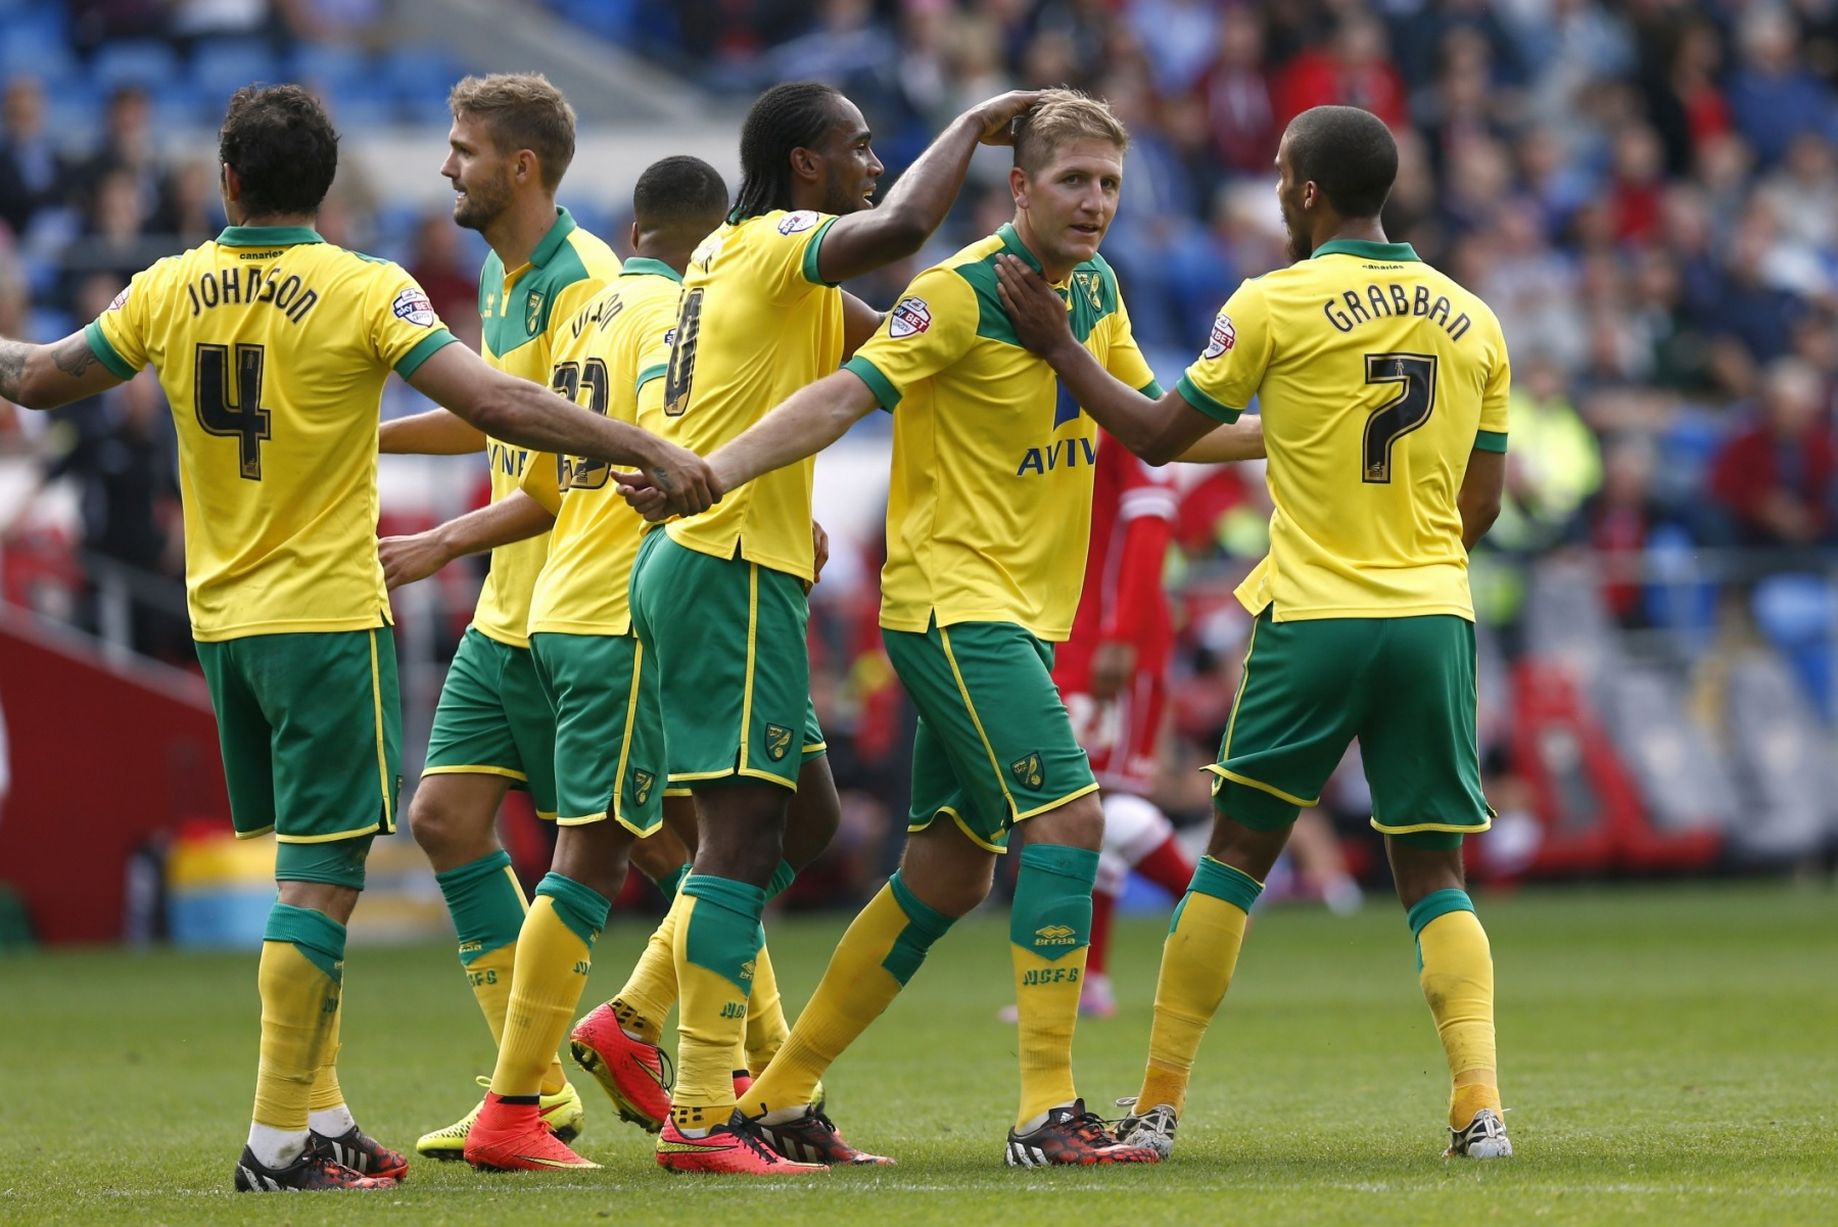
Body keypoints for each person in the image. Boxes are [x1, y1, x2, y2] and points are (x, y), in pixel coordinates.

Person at [0, 83, 715, 1195]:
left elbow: (41, 379)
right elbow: (499, 403)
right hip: (329, 617)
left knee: (320, 868)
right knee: (321, 884)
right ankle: (282, 1138)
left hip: (222, 626)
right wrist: (636, 440)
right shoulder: (365, 287)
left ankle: (322, 1116)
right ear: (323, 189)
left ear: (227, 181)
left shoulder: (168, 286)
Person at [626, 88, 1262, 1168]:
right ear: (1018, 186)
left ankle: (776, 1098)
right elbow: (839, 397)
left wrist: (1293, 433)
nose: (1094, 202)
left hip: (1019, 614)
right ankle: (1046, 1113)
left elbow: (1155, 426)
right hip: (950, 608)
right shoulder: (957, 291)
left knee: (947, 876)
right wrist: (715, 471)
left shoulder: (1094, 288)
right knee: (1067, 824)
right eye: (1071, 179)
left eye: (1108, 182)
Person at [990, 103, 1513, 1162]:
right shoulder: (1472, 317)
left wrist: (1057, 346)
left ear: (1305, 189)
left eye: (1280, 173)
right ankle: (1477, 1110)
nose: (1276, 189)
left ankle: (1158, 1110)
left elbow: (1152, 435)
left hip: (1314, 617)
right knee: (1433, 874)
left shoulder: (1271, 302)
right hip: (1430, 616)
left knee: (1229, 859)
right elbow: (1483, 507)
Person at [626, 79, 1042, 1175]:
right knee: (741, 840)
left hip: (723, 561)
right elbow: (904, 230)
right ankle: (702, 1114)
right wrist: (974, 126)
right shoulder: (780, 239)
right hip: (725, 564)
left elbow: (899, 354)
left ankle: (646, 1025)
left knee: (802, 826)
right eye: (857, 147)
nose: (872, 161)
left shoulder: (731, 256)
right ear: (807, 164)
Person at [372, 73, 622, 1161]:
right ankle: (532, 1095)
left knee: (656, 845)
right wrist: (358, 435)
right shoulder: (500, 268)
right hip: (509, 609)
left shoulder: (590, 285)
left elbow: (574, 476)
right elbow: (491, 421)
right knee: (443, 818)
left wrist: (440, 543)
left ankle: (745, 1074)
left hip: (577, 607)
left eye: (463, 148)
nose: (445, 165)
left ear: (521, 167)